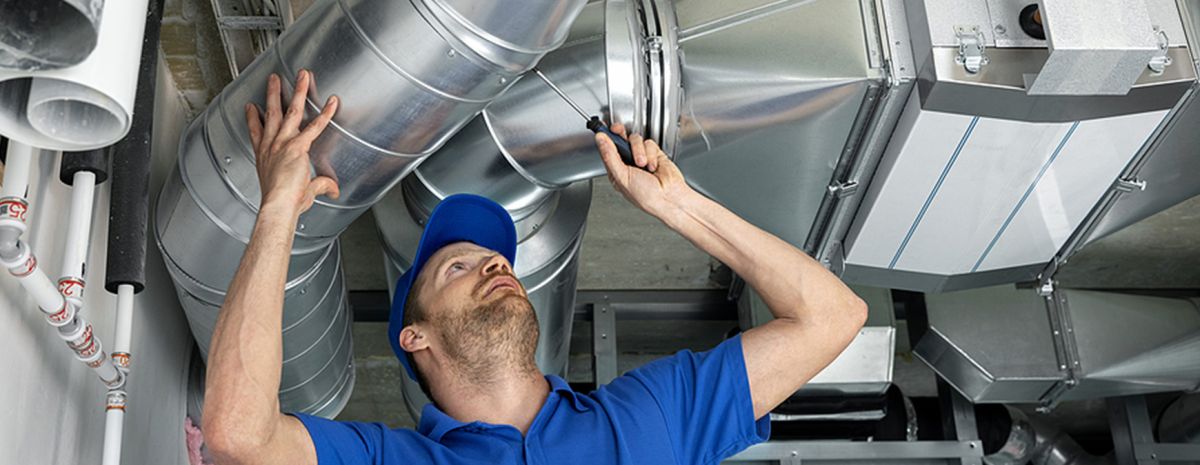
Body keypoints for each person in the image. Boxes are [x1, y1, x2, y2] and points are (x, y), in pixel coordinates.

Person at [202, 70, 867, 465]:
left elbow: (833, 315)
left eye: (494, 259)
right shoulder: (387, 456)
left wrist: (678, 206)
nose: (496, 262)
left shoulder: (652, 415)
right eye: (457, 267)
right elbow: (237, 438)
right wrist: (279, 210)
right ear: (415, 335)